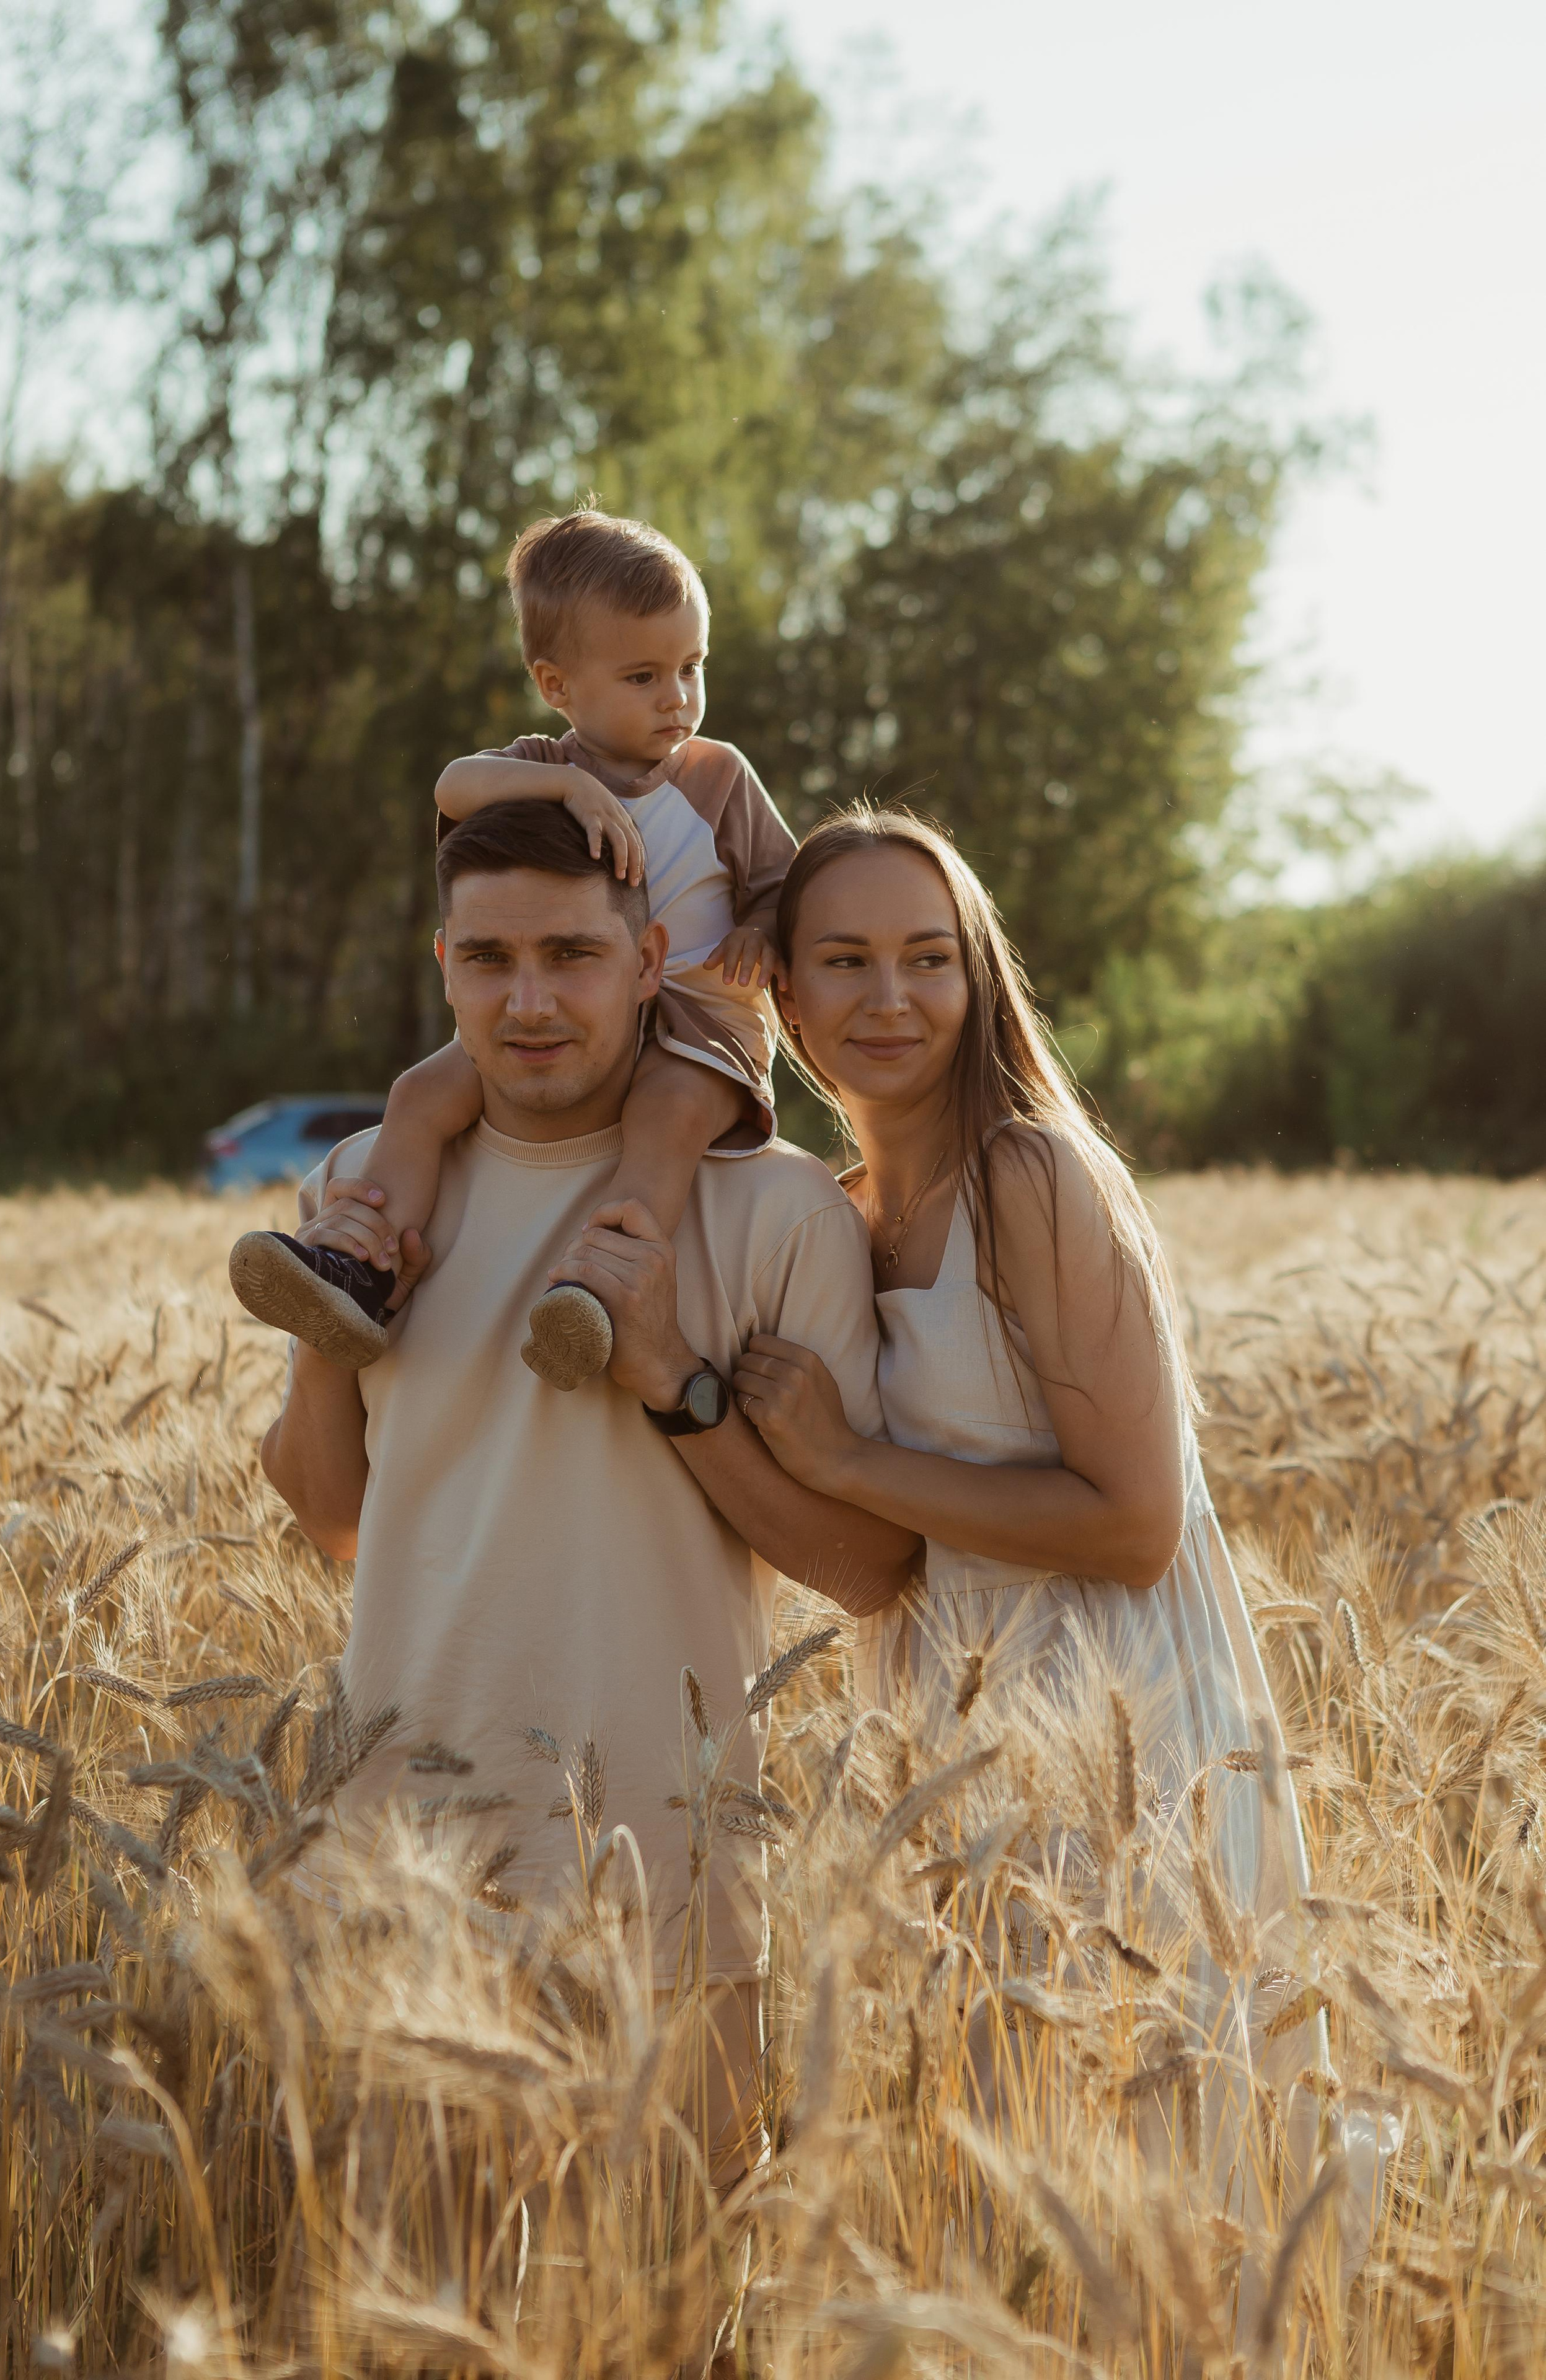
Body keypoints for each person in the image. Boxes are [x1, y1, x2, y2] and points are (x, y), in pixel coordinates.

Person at [726, 806, 1383, 2277]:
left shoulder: (1029, 1176)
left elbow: (1136, 1525)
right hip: (944, 1734)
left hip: (1115, 1731)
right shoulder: (832, 1214)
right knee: (988, 2182)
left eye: (925, 959)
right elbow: (867, 1556)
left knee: (1149, 2179)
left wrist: (847, 1453)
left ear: (976, 981)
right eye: (841, 961)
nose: (887, 999)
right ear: (783, 995)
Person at [258, 798, 919, 2177]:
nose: (531, 998)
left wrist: (675, 1381)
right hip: (404, 1865)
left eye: (571, 953)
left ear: (650, 961)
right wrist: (336, 1346)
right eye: (490, 960)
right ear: (442, 964)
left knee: (659, 2316)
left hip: (667, 1880)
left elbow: (866, 1569)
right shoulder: (369, 1193)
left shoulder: (774, 1211)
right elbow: (335, 1520)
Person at [231, 506, 795, 1393]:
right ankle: (360, 1272)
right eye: (644, 675)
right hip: (574, 1009)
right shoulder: (543, 763)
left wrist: (761, 929)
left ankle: (602, 1293)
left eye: (692, 669)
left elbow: (778, 882)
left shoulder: (716, 777)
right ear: (557, 683)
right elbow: (455, 787)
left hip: (697, 1023)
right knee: (422, 1094)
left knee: (666, 1117)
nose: (677, 697)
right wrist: (563, 784)